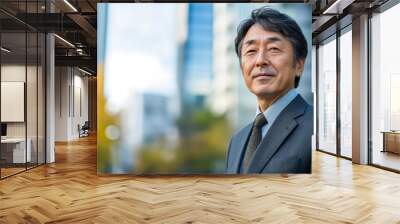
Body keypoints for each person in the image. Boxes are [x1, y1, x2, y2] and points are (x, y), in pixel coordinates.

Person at [225, 7, 312, 174]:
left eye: (273, 49)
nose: (260, 61)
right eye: (251, 51)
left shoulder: (314, 128)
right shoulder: (237, 140)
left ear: (299, 65)